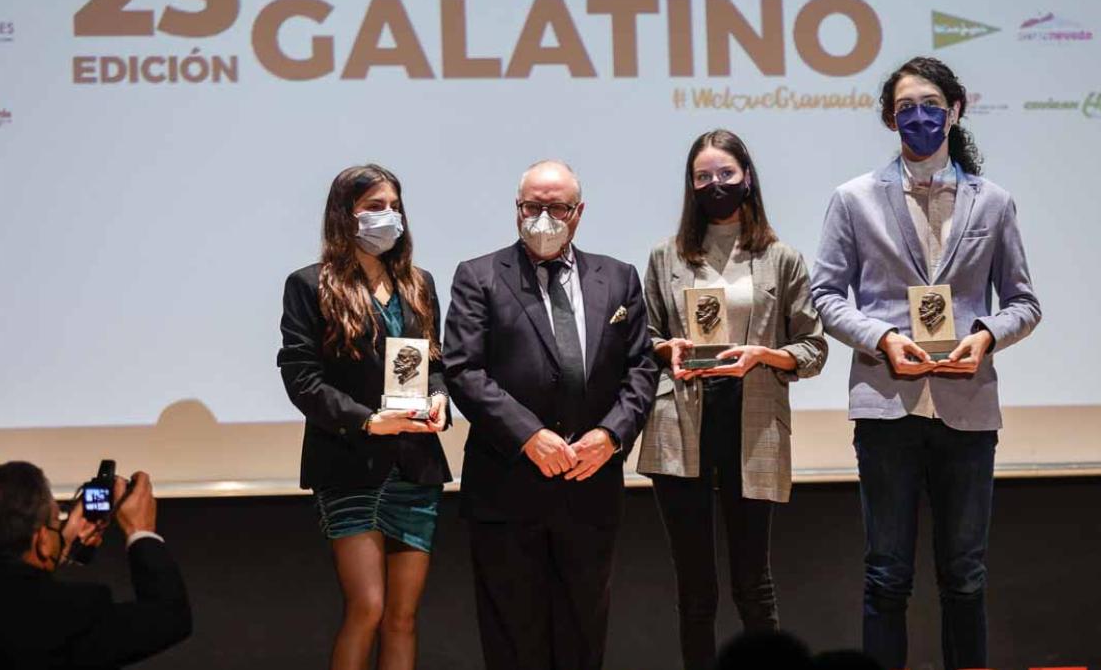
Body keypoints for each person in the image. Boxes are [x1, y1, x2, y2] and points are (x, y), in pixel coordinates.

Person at [810, 57, 1042, 670]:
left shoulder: (993, 203)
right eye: (907, 106)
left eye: (931, 104)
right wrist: (882, 339)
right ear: (891, 117)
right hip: (888, 406)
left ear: (955, 110)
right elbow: (825, 297)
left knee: (965, 576)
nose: (919, 116)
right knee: (886, 576)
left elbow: (1024, 302)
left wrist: (986, 335)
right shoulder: (854, 199)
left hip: (967, 408)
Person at [442, 160, 658, 670]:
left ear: (578, 212)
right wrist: (528, 436)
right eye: (531, 206)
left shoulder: (619, 277)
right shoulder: (479, 276)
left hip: (591, 488)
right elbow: (463, 370)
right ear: (516, 209)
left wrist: (611, 435)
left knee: (583, 637)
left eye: (555, 207)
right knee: (514, 642)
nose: (542, 217)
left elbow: (642, 369)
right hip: (507, 488)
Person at [636, 129, 828, 670]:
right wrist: (664, 347)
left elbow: (813, 348)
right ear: (690, 186)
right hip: (682, 424)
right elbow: (643, 341)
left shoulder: (781, 257)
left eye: (725, 174)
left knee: (754, 583)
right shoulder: (665, 255)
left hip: (754, 421)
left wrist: (761, 355)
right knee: (695, 590)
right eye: (703, 177)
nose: (715, 185)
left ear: (747, 177)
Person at [277, 164, 452, 670]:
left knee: (402, 617)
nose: (388, 216)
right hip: (350, 461)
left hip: (414, 466)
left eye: (394, 206)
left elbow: (433, 366)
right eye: (375, 207)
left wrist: (439, 399)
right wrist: (368, 420)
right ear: (344, 215)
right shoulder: (310, 285)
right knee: (367, 608)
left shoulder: (419, 283)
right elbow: (302, 377)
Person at [0, 461, 191, 668]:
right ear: (43, 540)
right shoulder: (73, 616)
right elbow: (169, 616)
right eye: (56, 520)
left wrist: (58, 545)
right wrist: (139, 530)